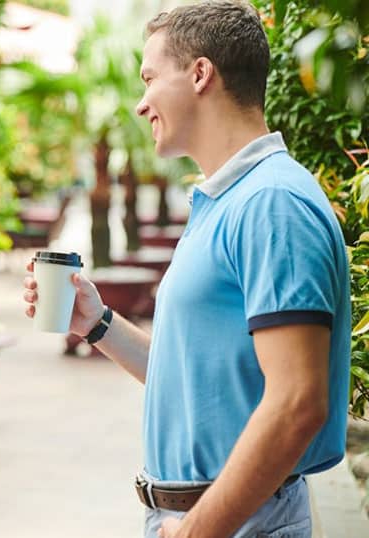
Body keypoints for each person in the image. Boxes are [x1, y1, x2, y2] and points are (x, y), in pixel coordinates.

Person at [23, 2, 350, 537]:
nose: (140, 104)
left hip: (240, 523)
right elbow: (194, 381)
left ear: (201, 74)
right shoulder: (230, 199)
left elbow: (297, 402)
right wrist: (97, 322)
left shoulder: (272, 204)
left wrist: (197, 531)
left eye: (150, 78)